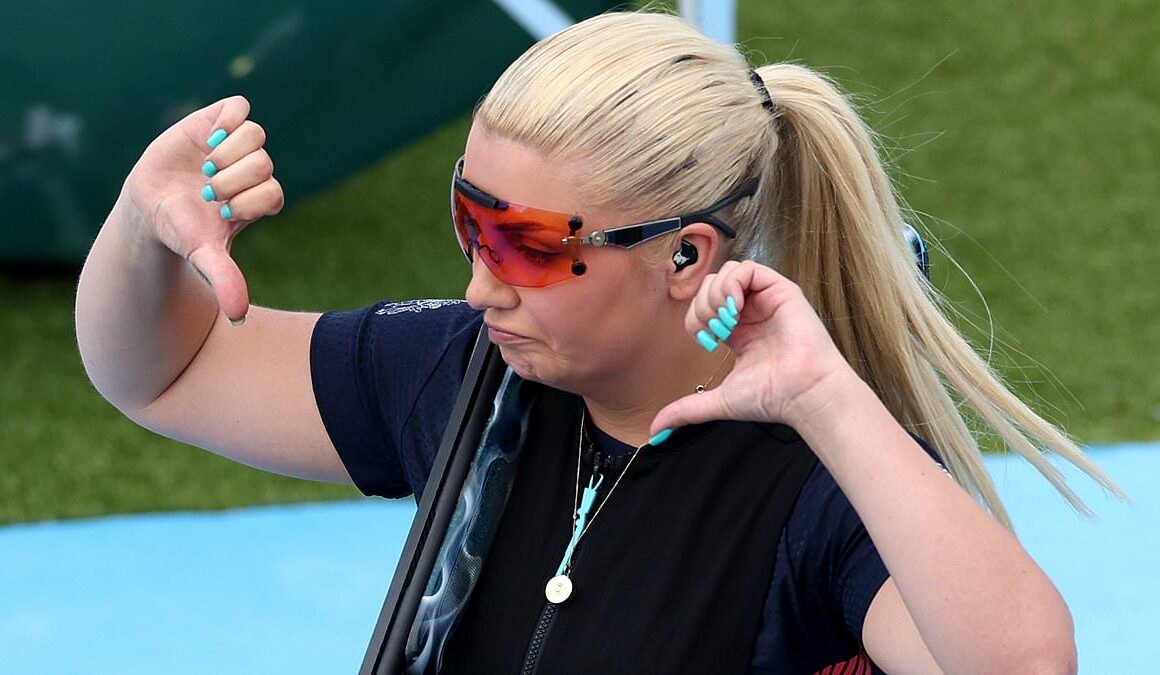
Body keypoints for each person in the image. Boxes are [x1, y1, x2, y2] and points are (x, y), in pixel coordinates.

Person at [76, 10, 1119, 674]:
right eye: (468, 222)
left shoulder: (817, 487)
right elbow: (164, 373)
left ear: (684, 256)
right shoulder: (462, 371)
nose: (478, 284)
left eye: (526, 246)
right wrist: (139, 227)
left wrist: (832, 403)